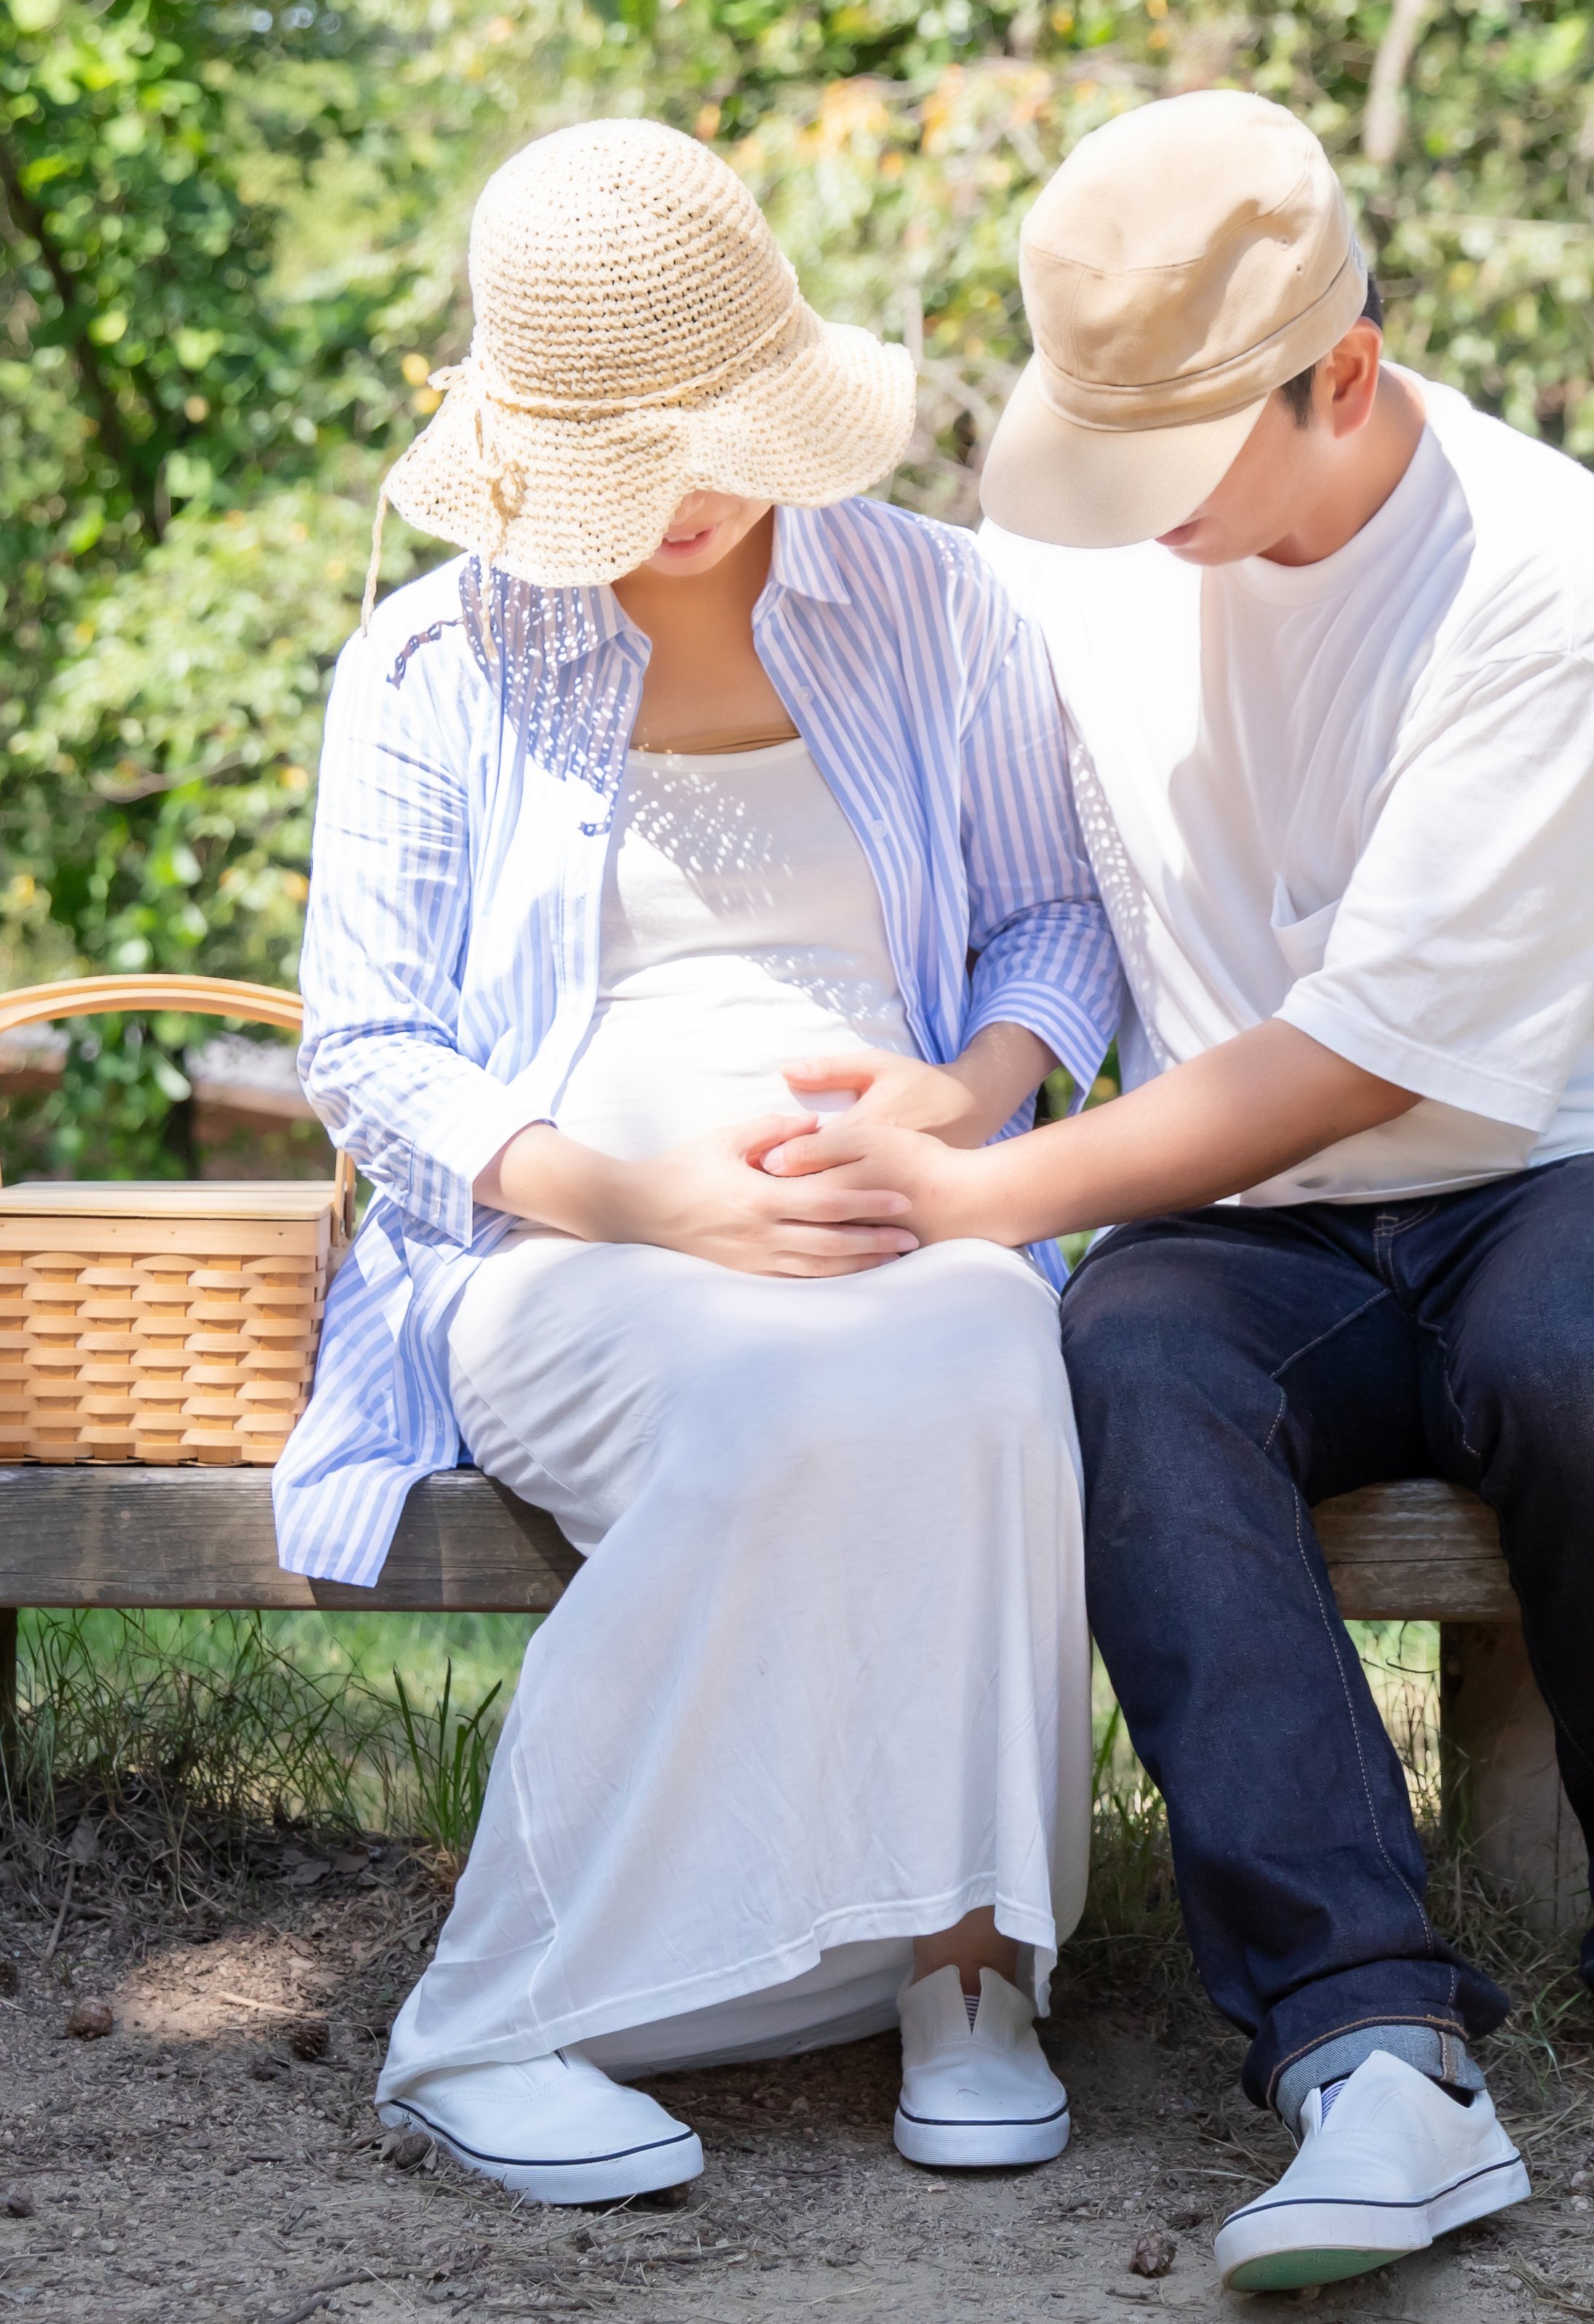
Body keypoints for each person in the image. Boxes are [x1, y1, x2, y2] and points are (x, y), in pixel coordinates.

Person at [766, 91, 1594, 2292]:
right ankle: (1367, 2044)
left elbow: (1376, 1053)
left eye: (1187, 471)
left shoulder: (1548, 579)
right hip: (1247, 1215)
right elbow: (1060, 889)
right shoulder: (1077, 544)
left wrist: (986, 1191)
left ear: (1350, 379)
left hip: (1566, 1154)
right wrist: (979, 1076)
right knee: (1126, 1366)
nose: (1144, 524)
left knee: (1592, 1361)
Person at [274, 119, 1122, 2205]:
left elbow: (1055, 918)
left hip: (896, 1193)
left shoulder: (934, 605)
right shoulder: (431, 664)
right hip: (567, 1233)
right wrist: (665, 1203)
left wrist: (967, 1092)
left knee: (999, 1350)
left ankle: (960, 1953)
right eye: (617, 467)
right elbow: (369, 1054)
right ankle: (501, 2014)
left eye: (716, 443)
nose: (676, 503)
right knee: (763, 1395)